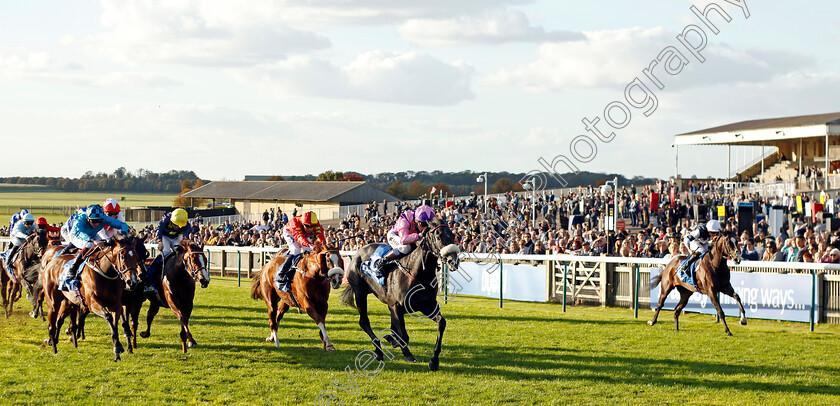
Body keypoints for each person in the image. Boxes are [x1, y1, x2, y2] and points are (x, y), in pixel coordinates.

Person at [57, 204, 129, 291]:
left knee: (105, 245)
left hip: (91, 233)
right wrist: (92, 240)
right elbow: (78, 232)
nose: (97, 223)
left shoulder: (105, 218)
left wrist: (124, 234)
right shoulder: (81, 220)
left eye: (99, 221)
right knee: (90, 245)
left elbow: (123, 225)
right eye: (94, 221)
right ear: (88, 219)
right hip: (73, 232)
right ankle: (73, 268)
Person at [366, 205, 435, 286]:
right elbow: (403, 240)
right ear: (416, 220)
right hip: (395, 236)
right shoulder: (405, 220)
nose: (425, 228)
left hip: (411, 236)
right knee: (406, 248)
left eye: (428, 225)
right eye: (423, 224)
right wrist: (419, 236)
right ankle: (383, 261)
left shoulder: (421, 220)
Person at [274, 211, 326, 292]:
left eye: (312, 226)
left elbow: (320, 236)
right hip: (290, 232)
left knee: (309, 251)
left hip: (303, 235)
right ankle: (282, 273)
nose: (309, 228)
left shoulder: (316, 224)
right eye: (307, 226)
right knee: (295, 250)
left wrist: (323, 245)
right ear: (302, 223)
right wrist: (309, 244)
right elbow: (299, 237)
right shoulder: (295, 223)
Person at [145, 208, 192, 296]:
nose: (177, 227)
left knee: (180, 252)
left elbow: (187, 231)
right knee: (165, 252)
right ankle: (151, 272)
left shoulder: (184, 222)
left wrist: (186, 239)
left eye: (179, 226)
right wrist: (159, 241)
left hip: (176, 238)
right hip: (165, 237)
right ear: (171, 220)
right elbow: (159, 229)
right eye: (175, 225)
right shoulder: (166, 218)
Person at [676, 219, 722, 284]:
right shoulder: (700, 230)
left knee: (709, 251)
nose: (715, 234)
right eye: (713, 233)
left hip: (704, 241)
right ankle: (686, 266)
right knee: (702, 251)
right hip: (693, 241)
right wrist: (689, 249)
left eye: (716, 233)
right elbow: (687, 238)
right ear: (708, 230)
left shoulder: (716, 229)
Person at [3, 213, 37, 282]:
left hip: (26, 237)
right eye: (27, 224)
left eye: (31, 223)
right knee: (17, 244)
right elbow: (18, 232)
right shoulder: (19, 224)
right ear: (24, 222)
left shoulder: (33, 225)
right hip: (16, 236)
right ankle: (8, 261)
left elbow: (37, 230)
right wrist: (25, 237)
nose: (29, 226)